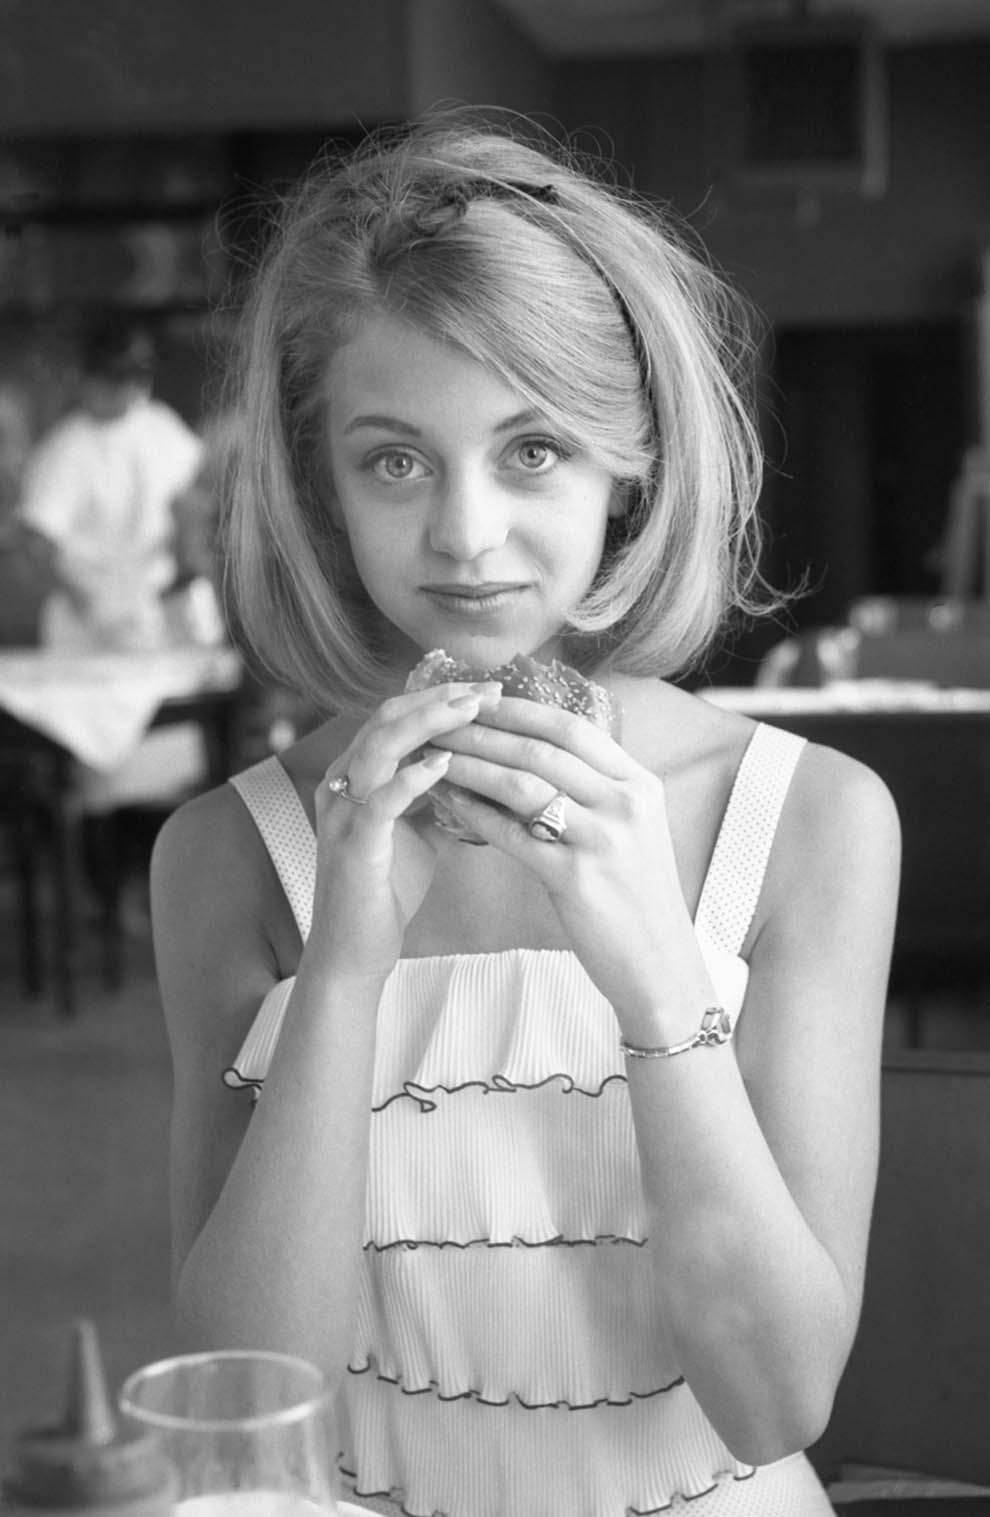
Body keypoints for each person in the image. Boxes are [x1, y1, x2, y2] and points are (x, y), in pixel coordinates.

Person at [151, 111, 901, 1516]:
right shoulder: (223, 856)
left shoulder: (812, 823)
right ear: (320, 488)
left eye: (534, 450)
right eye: (395, 459)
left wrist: (651, 970)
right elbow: (245, 1417)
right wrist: (347, 970)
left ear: (631, 465)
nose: (465, 535)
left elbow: (778, 1397)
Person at [17, 314, 202, 651]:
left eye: (133, 376)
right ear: (88, 378)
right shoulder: (67, 449)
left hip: (157, 607)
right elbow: (37, 541)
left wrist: (185, 573)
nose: (126, 388)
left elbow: (191, 499)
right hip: (87, 618)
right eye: (115, 377)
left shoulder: (160, 427)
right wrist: (88, 601)